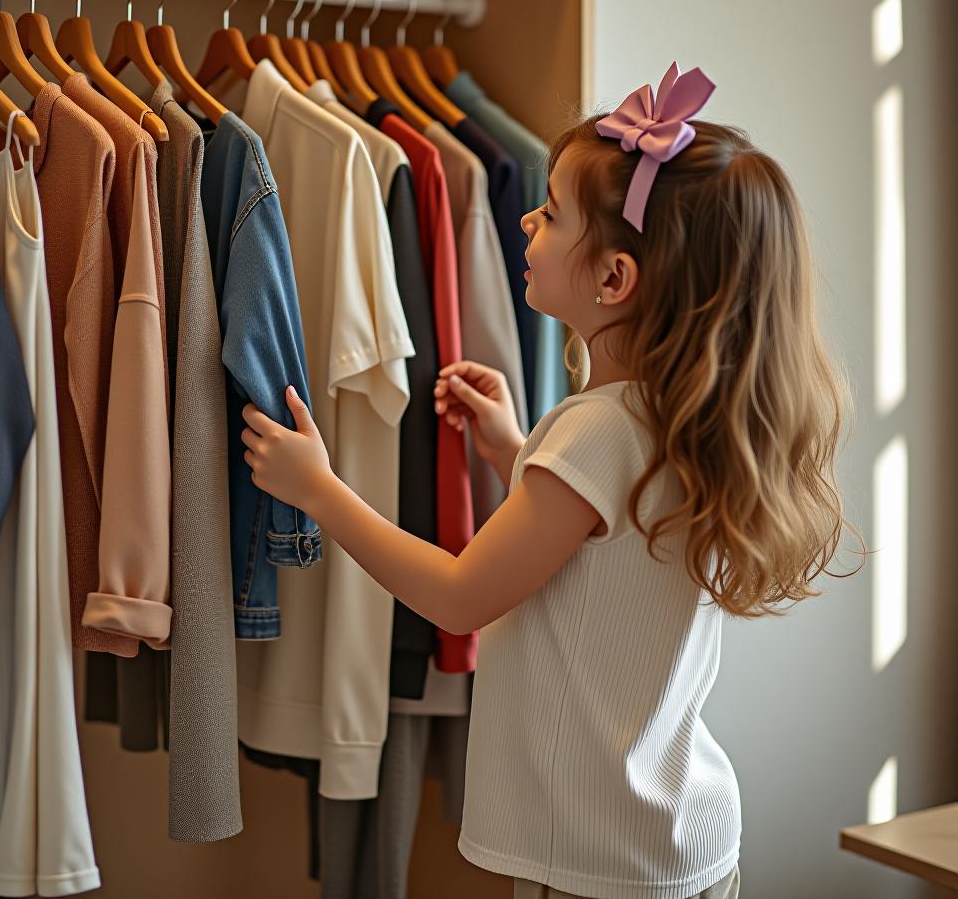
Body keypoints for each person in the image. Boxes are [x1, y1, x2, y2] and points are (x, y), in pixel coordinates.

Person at [239, 62, 860, 899]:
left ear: (613, 280)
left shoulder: (598, 429)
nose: (525, 219)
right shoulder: (677, 417)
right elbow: (596, 544)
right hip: (682, 831)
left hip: (603, 855)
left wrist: (320, 489)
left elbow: (461, 596)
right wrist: (511, 449)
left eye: (551, 214)